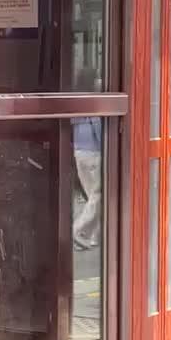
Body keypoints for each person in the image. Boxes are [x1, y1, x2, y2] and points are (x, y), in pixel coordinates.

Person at [72, 70, 103, 250]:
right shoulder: (94, 101)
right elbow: (98, 130)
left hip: (79, 154)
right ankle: (77, 230)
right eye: (97, 77)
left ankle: (91, 236)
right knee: (97, 196)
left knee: (93, 197)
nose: (100, 80)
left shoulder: (77, 102)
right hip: (94, 154)